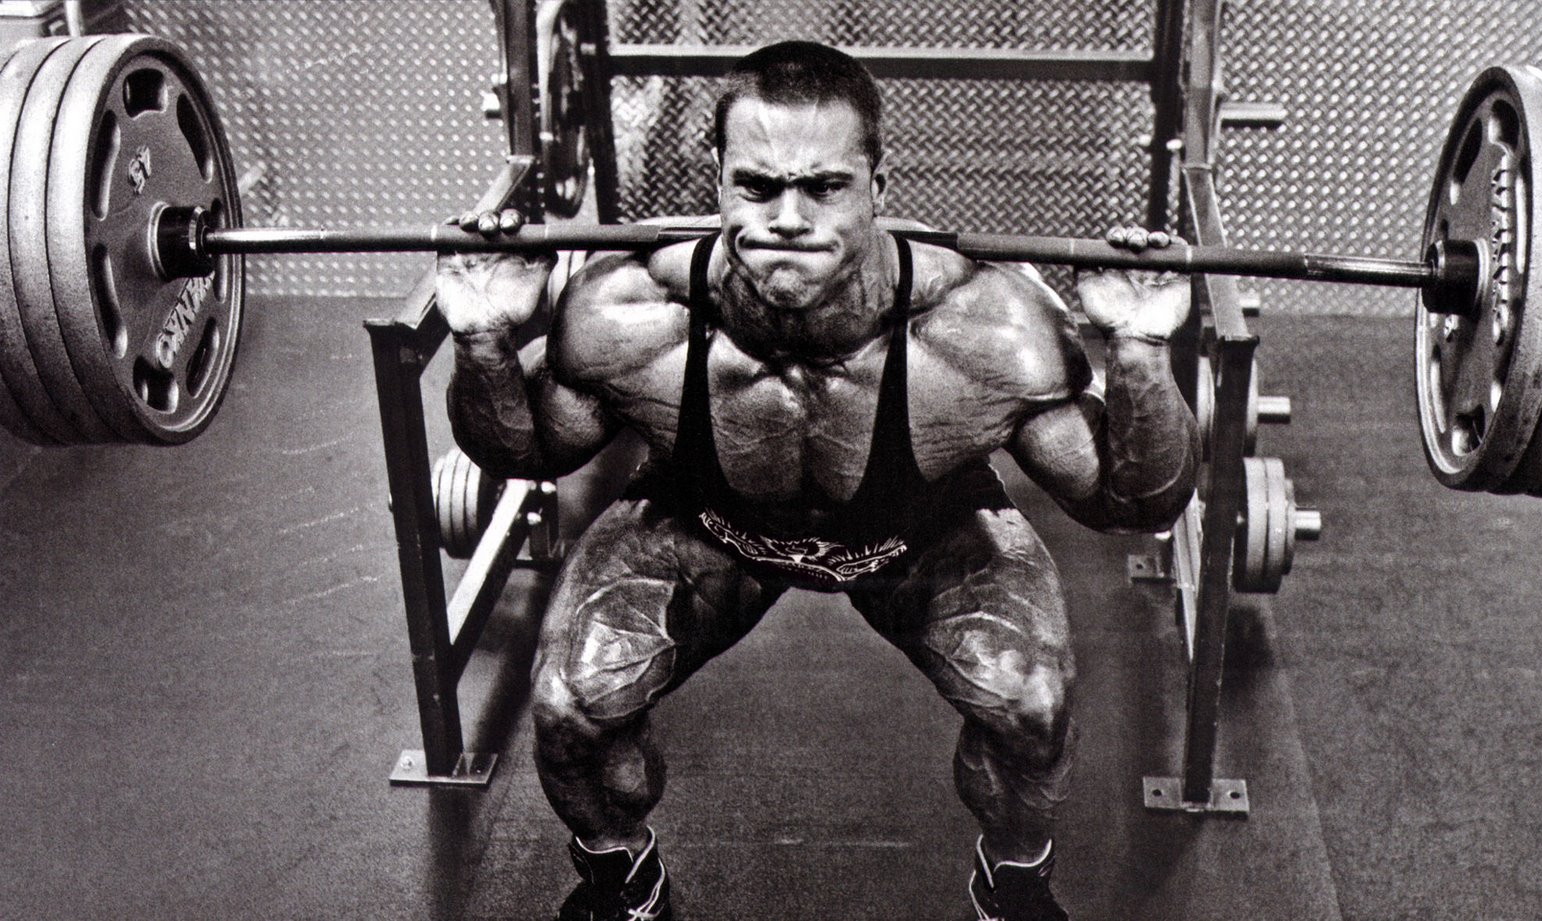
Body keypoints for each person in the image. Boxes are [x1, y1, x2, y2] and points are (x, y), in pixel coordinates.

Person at [436, 40, 1197, 921]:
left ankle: (1014, 882)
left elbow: (1129, 501)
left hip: (917, 532)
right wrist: (482, 341)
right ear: (718, 181)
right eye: (758, 186)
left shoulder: (984, 328)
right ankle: (622, 881)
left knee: (1033, 701)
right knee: (569, 705)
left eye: (825, 186)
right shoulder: (636, 313)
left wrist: (1140, 351)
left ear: (878, 186)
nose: (789, 218)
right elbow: (528, 451)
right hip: (710, 523)